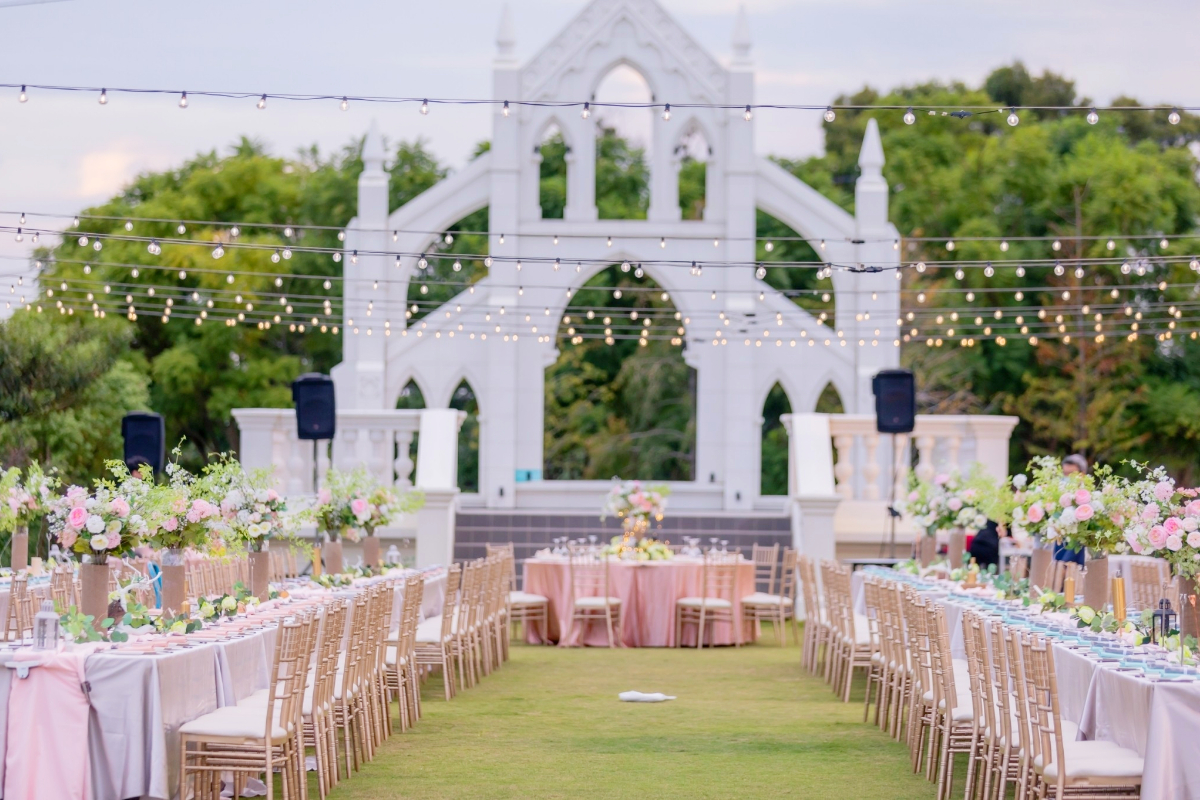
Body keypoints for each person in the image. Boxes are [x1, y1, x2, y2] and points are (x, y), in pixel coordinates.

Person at [1054, 453, 1088, 566]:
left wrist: (1065, 563)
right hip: (1060, 549)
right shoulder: (1060, 498)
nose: (1066, 477)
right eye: (1064, 474)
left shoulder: (1089, 500)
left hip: (1077, 556)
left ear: (1082, 474)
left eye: (1071, 474)